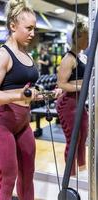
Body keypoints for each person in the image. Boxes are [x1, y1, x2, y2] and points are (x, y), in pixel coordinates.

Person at [0, 0, 43, 199]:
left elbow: (28, 90)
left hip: (23, 124)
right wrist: (20, 94)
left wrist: (46, 94)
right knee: (8, 179)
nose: (33, 33)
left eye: (34, 28)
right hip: (1, 124)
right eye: (29, 28)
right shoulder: (1, 56)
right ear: (13, 26)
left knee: (27, 175)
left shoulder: (26, 54)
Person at [56, 21, 88, 176]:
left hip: (80, 103)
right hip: (68, 104)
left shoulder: (82, 57)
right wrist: (82, 87)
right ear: (78, 37)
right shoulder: (69, 59)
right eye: (86, 38)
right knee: (73, 140)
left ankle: (81, 172)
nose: (88, 41)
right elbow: (61, 84)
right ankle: (70, 175)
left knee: (83, 136)